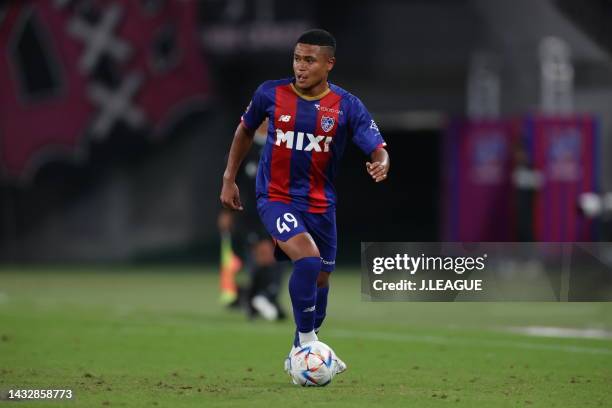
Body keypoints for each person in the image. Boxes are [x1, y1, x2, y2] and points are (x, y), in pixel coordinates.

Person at [220, 28, 390, 377]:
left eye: (309, 60)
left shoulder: (346, 105)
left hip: (321, 204)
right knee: (309, 261)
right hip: (276, 197)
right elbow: (245, 131)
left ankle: (302, 348)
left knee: (322, 279)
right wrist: (228, 178)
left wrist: (381, 161)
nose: (300, 66)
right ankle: (308, 343)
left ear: (329, 64)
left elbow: (377, 146)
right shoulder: (270, 94)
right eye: (297, 58)